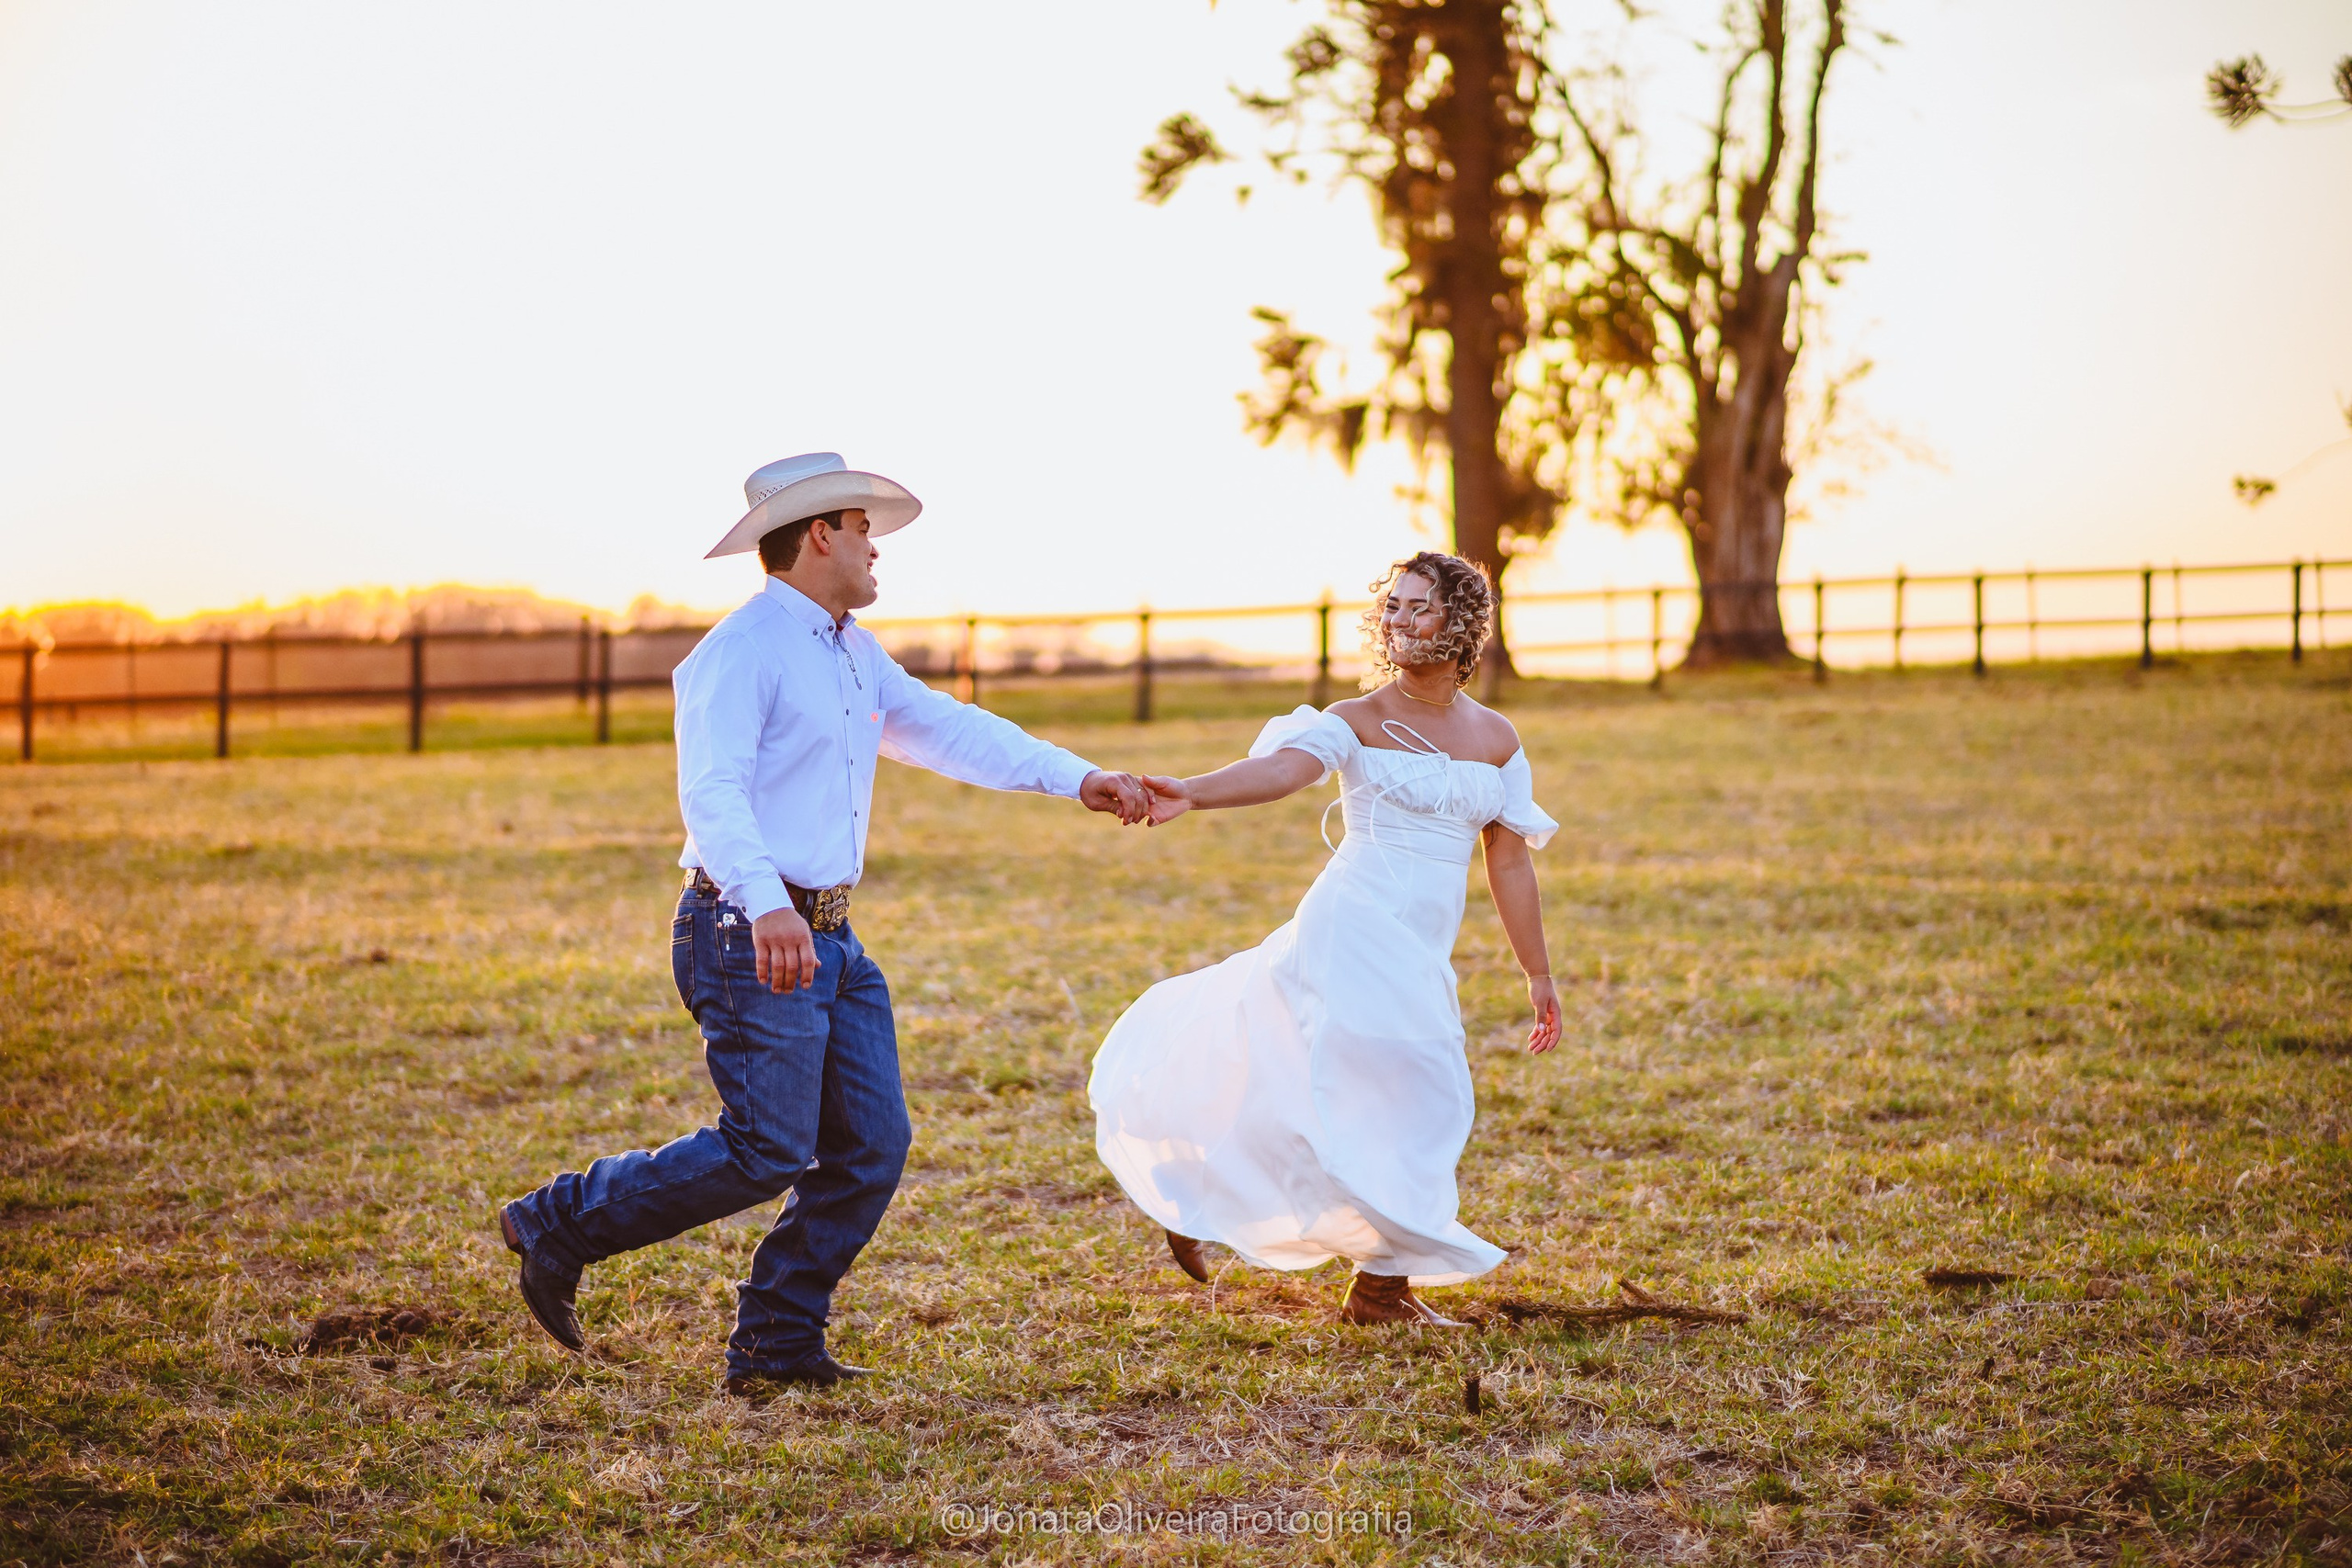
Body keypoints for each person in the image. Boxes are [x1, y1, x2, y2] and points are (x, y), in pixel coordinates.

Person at [498, 453, 1154, 1394]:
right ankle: (560, 1221)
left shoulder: (851, 650)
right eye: (861, 527)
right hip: (747, 927)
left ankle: (774, 1342)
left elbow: (944, 727)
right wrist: (766, 902)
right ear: (818, 535)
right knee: (766, 1147)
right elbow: (712, 792)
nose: (874, 545)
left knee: (870, 1146)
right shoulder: (740, 649)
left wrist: (1075, 777)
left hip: (833, 937)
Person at [1091, 551, 1560, 1328]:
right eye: (1394, 606)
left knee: (1376, 1093)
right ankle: (1347, 1267)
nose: (1401, 620)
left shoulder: (1498, 737)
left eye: (1421, 607)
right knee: (1420, 1083)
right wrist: (1193, 793)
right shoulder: (1355, 719)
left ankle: (1373, 1291)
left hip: (1423, 942)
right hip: (1353, 919)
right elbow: (1280, 771)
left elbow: (1507, 860)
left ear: (1464, 623)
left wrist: (1537, 971)